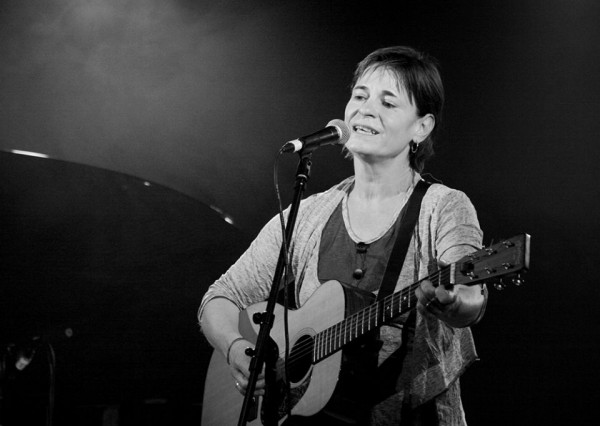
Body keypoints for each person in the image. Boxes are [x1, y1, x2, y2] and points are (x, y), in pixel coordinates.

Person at [198, 46, 488, 425]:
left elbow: (470, 295)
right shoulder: (309, 214)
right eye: (360, 96)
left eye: (388, 103)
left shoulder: (444, 206)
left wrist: (454, 303)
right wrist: (236, 347)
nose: (366, 110)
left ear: (421, 127)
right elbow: (219, 297)